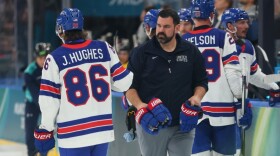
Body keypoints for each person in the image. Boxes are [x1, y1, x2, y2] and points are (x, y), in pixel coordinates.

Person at [33, 8, 133, 156]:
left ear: (60, 30)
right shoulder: (104, 48)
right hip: (102, 132)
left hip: (72, 135)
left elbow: (49, 101)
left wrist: (46, 128)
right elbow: (124, 82)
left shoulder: (54, 58)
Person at [126, 9, 208, 156]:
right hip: (153, 125)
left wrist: (196, 97)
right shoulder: (141, 53)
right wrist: (139, 105)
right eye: (158, 26)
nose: (160, 31)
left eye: (166, 26)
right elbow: (129, 87)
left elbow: (201, 81)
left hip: (183, 125)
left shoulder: (191, 51)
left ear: (177, 28)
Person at [182, 0, 242, 155]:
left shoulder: (183, 41)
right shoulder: (223, 36)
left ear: (192, 17)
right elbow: (233, 73)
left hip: (195, 108)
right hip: (223, 108)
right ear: (211, 15)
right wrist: (241, 98)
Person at [221, 8, 279, 155]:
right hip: (216, 113)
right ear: (229, 25)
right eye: (241, 22)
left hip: (238, 113)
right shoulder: (217, 45)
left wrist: (274, 84)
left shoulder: (247, 46)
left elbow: (256, 75)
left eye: (247, 22)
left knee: (237, 151)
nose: (246, 26)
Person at [23, 42, 50, 156]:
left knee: (47, 130)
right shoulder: (29, 72)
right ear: (36, 57)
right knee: (30, 130)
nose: (42, 60)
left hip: (46, 102)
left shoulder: (51, 69)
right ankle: (31, 152)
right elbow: (34, 93)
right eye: (40, 58)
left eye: (45, 58)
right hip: (33, 103)